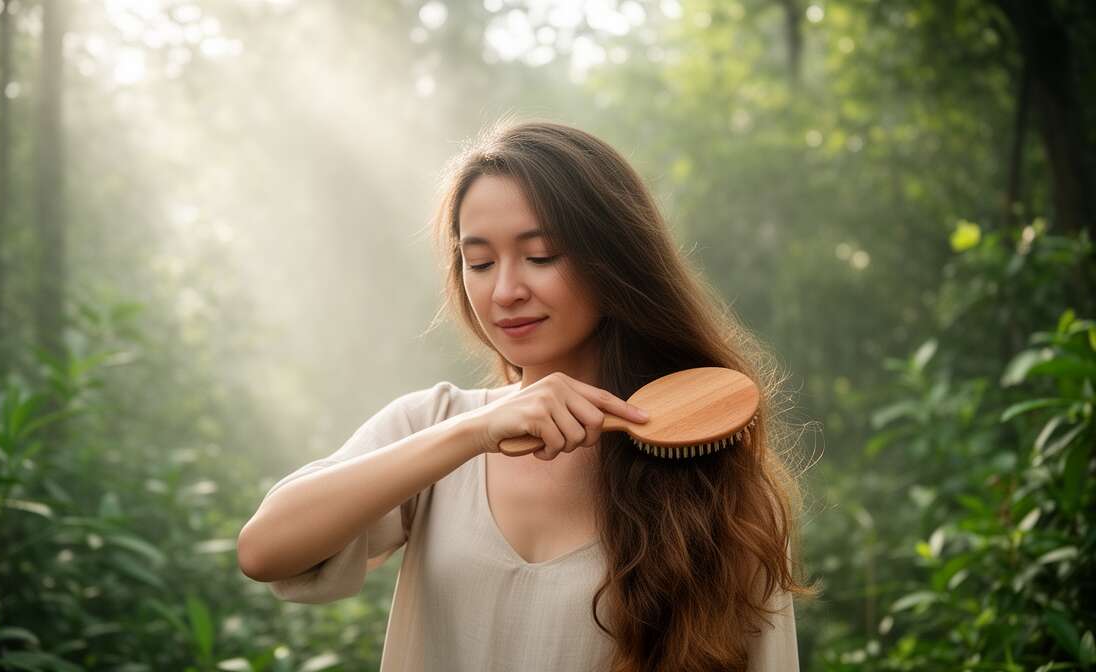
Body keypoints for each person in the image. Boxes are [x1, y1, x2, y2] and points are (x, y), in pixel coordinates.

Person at [237, 117, 817, 672]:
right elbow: (264, 551)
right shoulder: (435, 423)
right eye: (479, 261)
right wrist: (473, 432)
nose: (506, 290)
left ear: (615, 262)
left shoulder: (714, 479)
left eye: (540, 256)